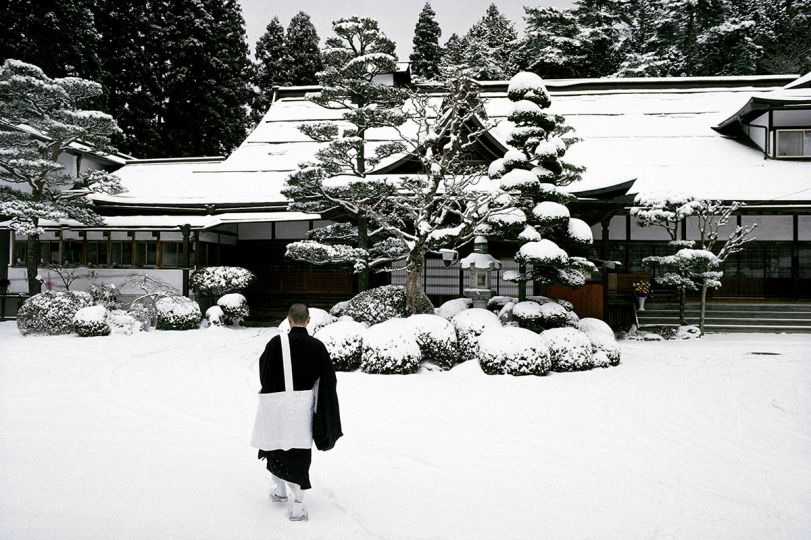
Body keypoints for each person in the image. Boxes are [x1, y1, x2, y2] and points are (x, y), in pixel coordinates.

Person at [251, 303, 342, 521]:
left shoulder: (275, 344)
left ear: (289, 319)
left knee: (277, 444)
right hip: (303, 408)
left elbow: (264, 372)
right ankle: (297, 506)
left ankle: (280, 490)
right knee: (299, 450)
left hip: (276, 405)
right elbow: (328, 381)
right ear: (308, 320)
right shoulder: (317, 346)